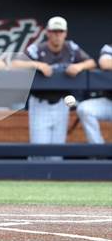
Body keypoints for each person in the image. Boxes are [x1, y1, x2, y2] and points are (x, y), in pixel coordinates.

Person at [11, 16, 95, 154]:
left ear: (65, 33)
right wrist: (37, 64)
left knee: (58, 149)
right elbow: (15, 64)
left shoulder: (71, 48)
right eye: (54, 31)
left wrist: (79, 66)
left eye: (60, 31)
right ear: (48, 32)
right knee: (38, 149)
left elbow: (91, 62)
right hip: (40, 103)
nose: (57, 35)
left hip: (62, 103)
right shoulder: (38, 48)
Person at [77, 44, 112, 143]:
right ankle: (99, 152)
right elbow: (104, 63)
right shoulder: (109, 47)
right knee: (85, 109)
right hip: (110, 102)